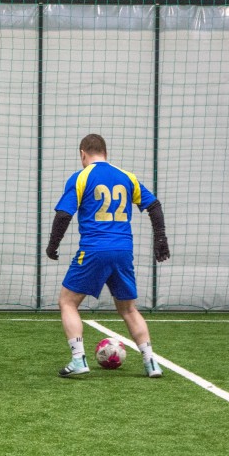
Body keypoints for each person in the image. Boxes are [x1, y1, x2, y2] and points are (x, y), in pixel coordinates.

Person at [45, 133, 170, 379]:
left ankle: (78, 359)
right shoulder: (127, 177)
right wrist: (160, 239)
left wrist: (53, 245)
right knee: (129, 309)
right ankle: (151, 363)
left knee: (67, 302)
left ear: (83, 153)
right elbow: (154, 206)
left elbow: (63, 215)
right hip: (123, 251)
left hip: (94, 250)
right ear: (105, 152)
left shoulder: (81, 177)